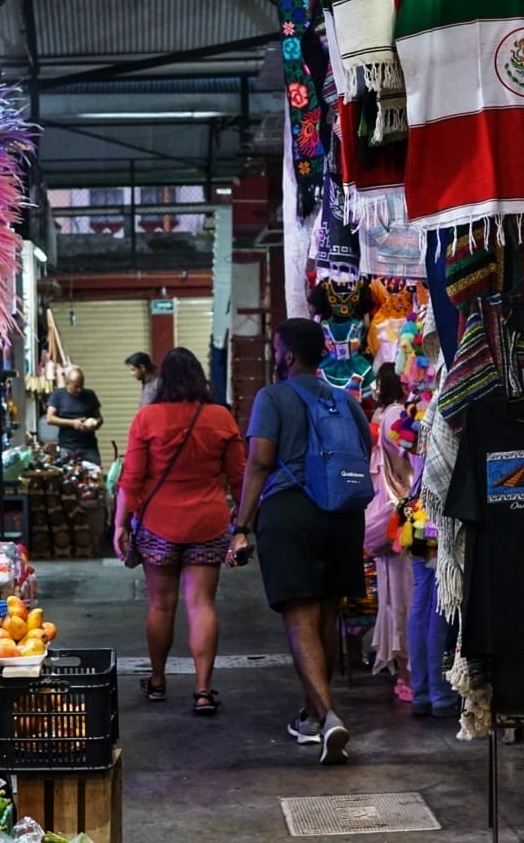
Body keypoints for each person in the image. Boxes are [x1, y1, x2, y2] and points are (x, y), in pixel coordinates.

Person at [230, 318, 370, 766]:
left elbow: (258, 462)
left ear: (288, 354)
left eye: (276, 348)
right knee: (327, 616)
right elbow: (363, 452)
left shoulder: (273, 398)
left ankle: (328, 716)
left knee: (300, 620)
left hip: (290, 513)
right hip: (342, 515)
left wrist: (241, 525)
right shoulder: (346, 401)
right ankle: (313, 717)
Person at [113, 348, 246, 715]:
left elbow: (131, 478)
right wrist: (244, 526)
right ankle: (203, 690)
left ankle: (157, 681)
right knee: (202, 604)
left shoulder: (147, 418)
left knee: (161, 604)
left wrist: (120, 524)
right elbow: (239, 477)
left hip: (158, 523)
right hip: (209, 522)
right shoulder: (221, 417)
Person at [368, 364, 415, 702]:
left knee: (393, 597)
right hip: (402, 518)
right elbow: (405, 467)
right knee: (406, 597)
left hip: (386, 518)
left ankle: (404, 672)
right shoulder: (397, 415)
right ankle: (410, 674)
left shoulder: (381, 414)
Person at [45, 367, 102, 463]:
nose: (79, 390)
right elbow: (50, 418)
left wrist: (94, 423)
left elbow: (99, 418)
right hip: (67, 447)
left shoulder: (90, 395)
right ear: (67, 383)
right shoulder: (58, 395)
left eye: (81, 386)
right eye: (76, 387)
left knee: (94, 475)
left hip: (89, 447)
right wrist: (72, 423)